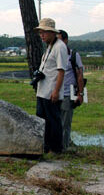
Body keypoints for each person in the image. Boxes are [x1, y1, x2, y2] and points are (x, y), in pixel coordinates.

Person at [34, 18, 68, 153]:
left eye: (44, 32)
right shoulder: (49, 46)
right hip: (43, 90)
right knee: (43, 119)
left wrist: (56, 91)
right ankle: (46, 146)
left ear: (52, 33)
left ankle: (56, 148)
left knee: (53, 121)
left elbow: (61, 71)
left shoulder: (59, 47)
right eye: (40, 33)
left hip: (51, 92)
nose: (42, 35)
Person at [57, 30, 84, 150]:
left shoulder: (73, 56)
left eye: (60, 40)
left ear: (66, 40)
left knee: (65, 123)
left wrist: (80, 93)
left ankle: (64, 147)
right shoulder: (53, 54)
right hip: (54, 94)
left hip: (68, 94)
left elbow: (79, 75)